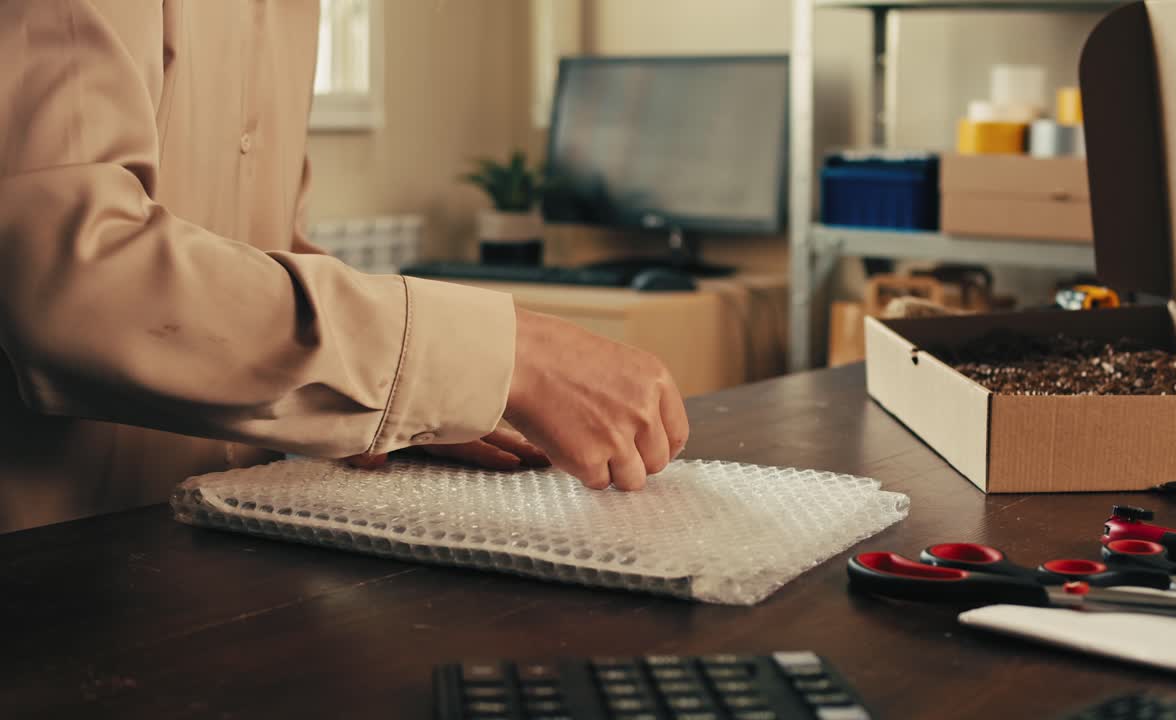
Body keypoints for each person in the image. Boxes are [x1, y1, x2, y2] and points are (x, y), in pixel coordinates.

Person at [0, 1, 689, 535]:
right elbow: (77, 281)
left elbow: (252, 253)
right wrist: (508, 357)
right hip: (45, 587)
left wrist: (417, 399)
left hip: (195, 555)